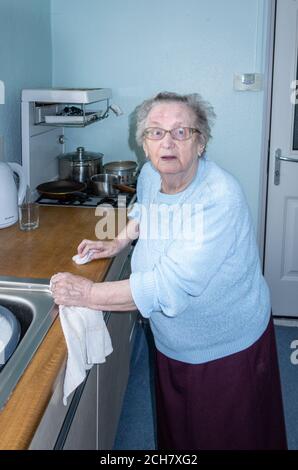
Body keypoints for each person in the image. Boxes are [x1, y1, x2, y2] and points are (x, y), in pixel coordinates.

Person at [51, 91, 287, 450]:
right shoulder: (150, 173)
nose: (168, 142)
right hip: (173, 338)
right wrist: (116, 243)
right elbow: (146, 211)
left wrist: (86, 294)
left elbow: (166, 287)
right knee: (182, 432)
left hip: (224, 347)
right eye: (156, 132)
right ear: (144, 145)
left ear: (201, 142)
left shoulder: (219, 197)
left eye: (181, 132)